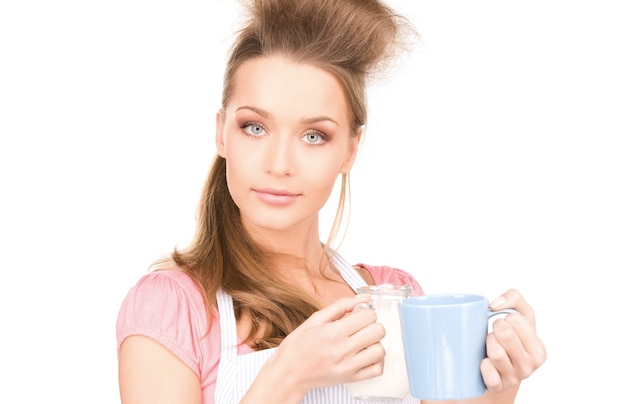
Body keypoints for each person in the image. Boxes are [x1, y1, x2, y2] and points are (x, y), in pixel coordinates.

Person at [116, 0, 547, 403]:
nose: (279, 164)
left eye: (313, 136)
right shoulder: (173, 308)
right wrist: (286, 376)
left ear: (350, 150)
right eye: (254, 127)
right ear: (221, 132)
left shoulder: (393, 297)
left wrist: (497, 388)